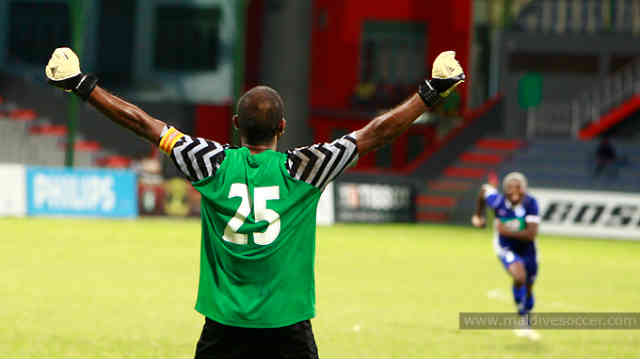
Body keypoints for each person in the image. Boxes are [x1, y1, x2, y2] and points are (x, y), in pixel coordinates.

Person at [45, 47, 464, 358]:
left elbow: (143, 124)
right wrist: (433, 92)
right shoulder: (306, 168)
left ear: (235, 126)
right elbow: (377, 132)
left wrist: (81, 85)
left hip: (223, 329)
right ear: (283, 126)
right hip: (287, 329)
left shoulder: (208, 162)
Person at [471, 172, 541, 341]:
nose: (514, 191)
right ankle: (523, 319)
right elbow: (483, 191)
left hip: (528, 250)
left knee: (529, 285)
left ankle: (525, 318)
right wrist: (479, 216)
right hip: (505, 248)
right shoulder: (497, 201)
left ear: (524, 189)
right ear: (504, 189)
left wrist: (506, 230)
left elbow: (531, 234)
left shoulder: (531, 203)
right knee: (519, 276)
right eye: (510, 188)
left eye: (518, 187)